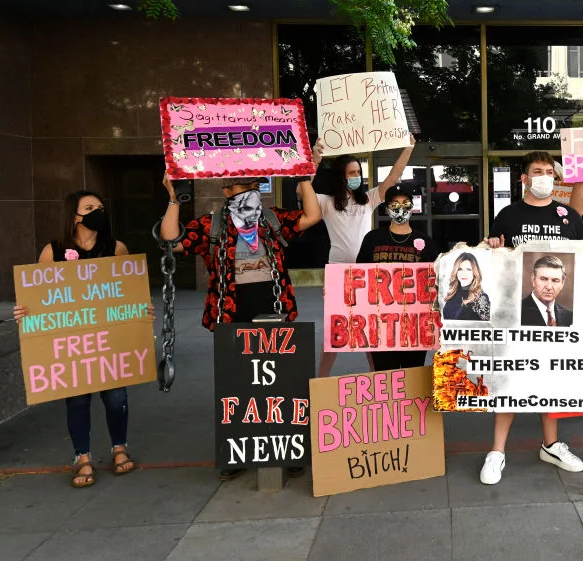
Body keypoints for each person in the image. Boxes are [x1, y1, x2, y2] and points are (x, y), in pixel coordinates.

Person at [160, 174, 321, 478]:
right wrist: (173, 198)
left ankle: (287, 448)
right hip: (232, 313)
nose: (249, 192)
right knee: (238, 386)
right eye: (241, 187)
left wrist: (303, 179)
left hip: (274, 309)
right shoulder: (212, 225)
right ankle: (240, 450)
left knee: (283, 384)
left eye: (254, 186)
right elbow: (172, 241)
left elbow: (312, 216)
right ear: (225, 191)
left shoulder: (271, 220)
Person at [479, 150, 583, 485]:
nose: (544, 177)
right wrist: (491, 246)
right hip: (514, 315)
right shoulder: (508, 215)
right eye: (537, 171)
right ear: (524, 179)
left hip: (558, 322)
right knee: (509, 380)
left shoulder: (570, 216)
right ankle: (497, 451)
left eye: (549, 171)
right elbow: (495, 260)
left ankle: (551, 445)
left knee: (551, 379)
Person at [13, 191, 148, 487]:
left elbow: (129, 290)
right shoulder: (53, 251)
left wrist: (142, 309)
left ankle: (120, 447)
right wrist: (26, 311)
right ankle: (82, 457)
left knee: (116, 396)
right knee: (76, 398)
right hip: (72, 340)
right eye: (89, 208)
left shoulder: (116, 248)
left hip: (110, 336)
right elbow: (41, 295)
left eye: (100, 207)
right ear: (74, 216)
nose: (97, 211)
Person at [312, 134, 415, 376]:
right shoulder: (326, 202)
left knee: (370, 332)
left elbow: (393, 177)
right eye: (351, 173)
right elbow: (303, 188)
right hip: (339, 273)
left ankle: (377, 379)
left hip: (367, 273)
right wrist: (315, 160)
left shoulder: (368, 199)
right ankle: (320, 381)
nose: (356, 176)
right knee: (335, 333)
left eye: (358, 172)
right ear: (340, 176)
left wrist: (408, 148)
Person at [355, 184, 439, 371]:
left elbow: (437, 279)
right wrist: (337, 291)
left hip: (415, 323)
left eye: (405, 203)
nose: (401, 209)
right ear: (387, 209)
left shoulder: (425, 241)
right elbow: (357, 277)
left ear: (412, 207)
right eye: (395, 204)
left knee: (413, 372)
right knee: (385, 373)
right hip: (381, 322)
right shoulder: (373, 239)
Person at [521, 254, 573, 326]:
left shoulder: (570, 316)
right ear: (533, 279)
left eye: (555, 280)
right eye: (543, 279)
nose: (549, 287)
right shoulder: (517, 311)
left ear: (562, 283)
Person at [442, 253, 491, 321]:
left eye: (468, 269)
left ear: (474, 272)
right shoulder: (452, 295)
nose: (464, 273)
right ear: (456, 271)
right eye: (460, 269)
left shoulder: (481, 297)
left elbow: (487, 325)